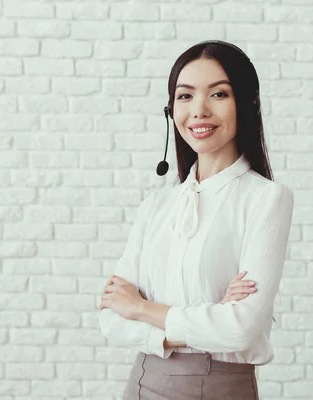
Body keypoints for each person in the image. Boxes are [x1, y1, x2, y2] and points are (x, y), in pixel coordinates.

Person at [97, 40, 295, 400]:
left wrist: (142, 308)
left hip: (217, 386)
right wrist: (209, 317)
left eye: (218, 94)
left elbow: (241, 330)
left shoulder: (266, 199)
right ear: (171, 110)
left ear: (246, 103)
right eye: (185, 96)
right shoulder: (156, 204)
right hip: (140, 384)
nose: (199, 110)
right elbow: (111, 318)